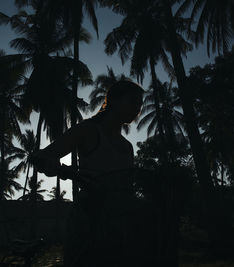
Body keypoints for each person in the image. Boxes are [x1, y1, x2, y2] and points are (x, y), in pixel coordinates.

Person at [31, 80, 152, 267]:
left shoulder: (127, 147)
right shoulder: (87, 131)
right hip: (90, 217)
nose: (137, 108)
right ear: (114, 101)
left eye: (140, 105)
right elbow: (42, 157)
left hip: (121, 223)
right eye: (132, 102)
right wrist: (62, 169)